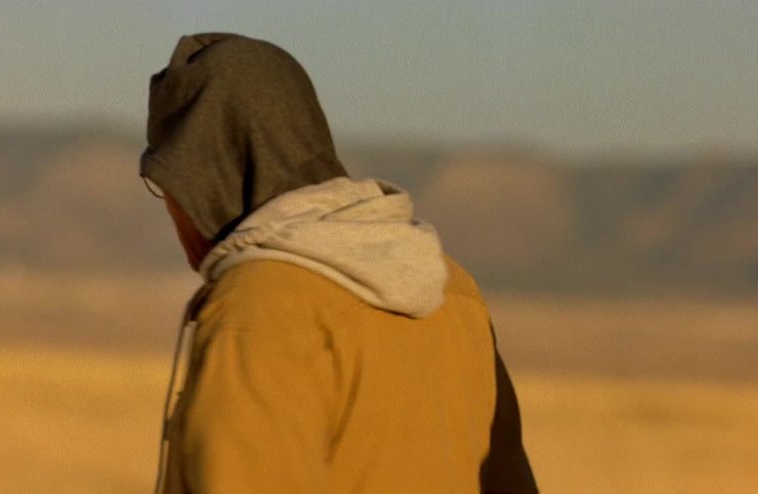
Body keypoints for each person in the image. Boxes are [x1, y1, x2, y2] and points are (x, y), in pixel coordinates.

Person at [141, 32, 537, 494]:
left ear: (206, 179)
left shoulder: (257, 309)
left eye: (167, 183)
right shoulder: (454, 292)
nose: (172, 207)